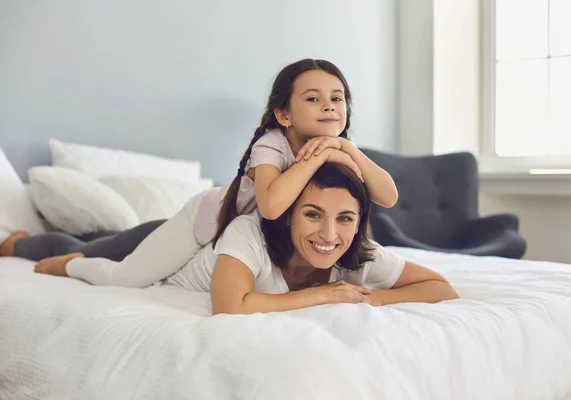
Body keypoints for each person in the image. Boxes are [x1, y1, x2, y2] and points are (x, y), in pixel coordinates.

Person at [26, 58, 399, 286]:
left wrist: (348, 149)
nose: (329, 106)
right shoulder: (272, 144)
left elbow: (388, 196)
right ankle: (68, 262)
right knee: (124, 273)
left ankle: (85, 247)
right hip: (201, 223)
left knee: (119, 240)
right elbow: (271, 207)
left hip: (231, 238)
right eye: (313, 98)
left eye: (337, 98)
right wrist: (316, 159)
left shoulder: (339, 149)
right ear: (284, 115)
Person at [37, 163, 459, 314]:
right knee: (103, 264)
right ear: (287, 212)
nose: (330, 235)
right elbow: (231, 307)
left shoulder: (355, 252)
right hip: (161, 242)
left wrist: (369, 299)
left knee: (101, 239)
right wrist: (324, 296)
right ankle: (57, 255)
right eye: (312, 214)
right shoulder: (248, 231)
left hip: (191, 240)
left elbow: (441, 287)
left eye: (345, 219)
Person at [0, 220, 165, 261]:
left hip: (164, 230)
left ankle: (73, 235)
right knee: (77, 252)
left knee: (115, 240)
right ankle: (14, 245)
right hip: (163, 237)